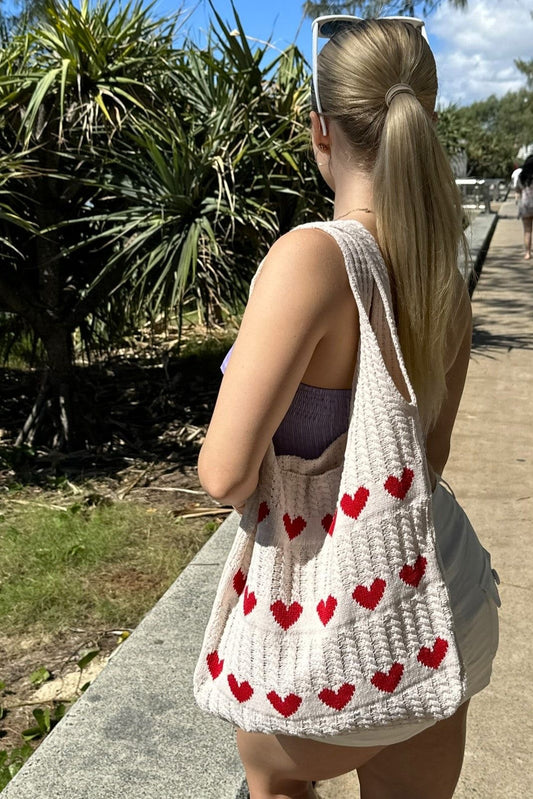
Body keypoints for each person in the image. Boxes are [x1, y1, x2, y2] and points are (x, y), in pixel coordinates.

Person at [197, 17, 500, 799]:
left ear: (318, 128)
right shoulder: (439, 266)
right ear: (424, 122)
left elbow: (225, 471)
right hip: (436, 603)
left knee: (278, 785)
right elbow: (422, 462)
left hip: (328, 627)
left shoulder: (312, 257)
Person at [516, 154, 533, 259]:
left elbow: (518, 191)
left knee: (527, 231)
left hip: (525, 206)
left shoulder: (521, 177)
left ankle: (527, 253)